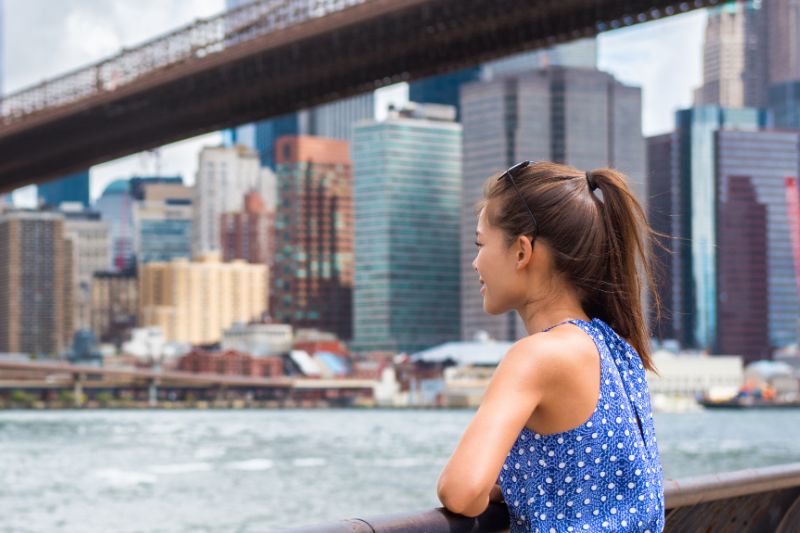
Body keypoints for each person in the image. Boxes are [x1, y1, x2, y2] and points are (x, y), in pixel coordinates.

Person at [436, 161, 665, 532]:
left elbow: (461, 492)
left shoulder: (538, 356)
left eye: (480, 244)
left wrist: (491, 492)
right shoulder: (617, 349)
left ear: (522, 251)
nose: (476, 262)